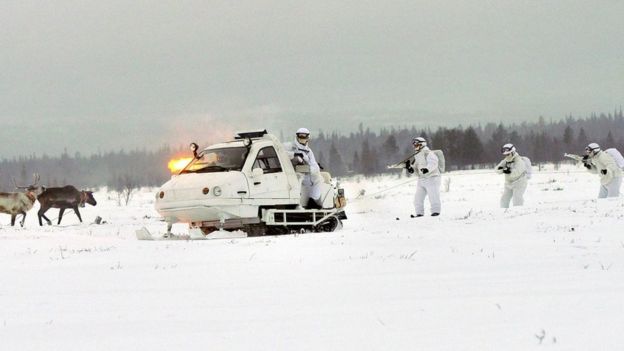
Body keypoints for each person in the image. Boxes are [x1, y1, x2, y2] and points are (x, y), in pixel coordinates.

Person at [283, 128, 324, 208]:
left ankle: (312, 201)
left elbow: (314, 166)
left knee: (318, 179)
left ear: (307, 138)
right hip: (290, 173)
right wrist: (294, 155)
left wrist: (309, 168)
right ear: (297, 136)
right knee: (297, 180)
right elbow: (280, 152)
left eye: (304, 136)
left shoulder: (308, 151)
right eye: (300, 136)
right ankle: (294, 203)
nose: (302, 138)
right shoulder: (289, 146)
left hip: (304, 173)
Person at [405, 137, 441, 217]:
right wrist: (410, 168)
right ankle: (419, 213)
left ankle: (436, 212)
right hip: (422, 180)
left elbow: (434, 163)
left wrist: (427, 169)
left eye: (416, 144)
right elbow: (415, 169)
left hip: (432, 178)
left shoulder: (428, 153)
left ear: (422, 144)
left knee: (433, 196)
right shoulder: (417, 155)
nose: (414, 146)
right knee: (417, 199)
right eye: (413, 144)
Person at [495, 143, 529, 208]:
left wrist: (508, 171)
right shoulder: (506, 160)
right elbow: (497, 169)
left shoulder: (519, 161)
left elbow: (516, 173)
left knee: (517, 198)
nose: (507, 156)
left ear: (513, 152)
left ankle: (518, 212)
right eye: (505, 155)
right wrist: (502, 170)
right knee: (504, 199)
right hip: (509, 183)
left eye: (508, 154)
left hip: (519, 182)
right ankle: (504, 212)